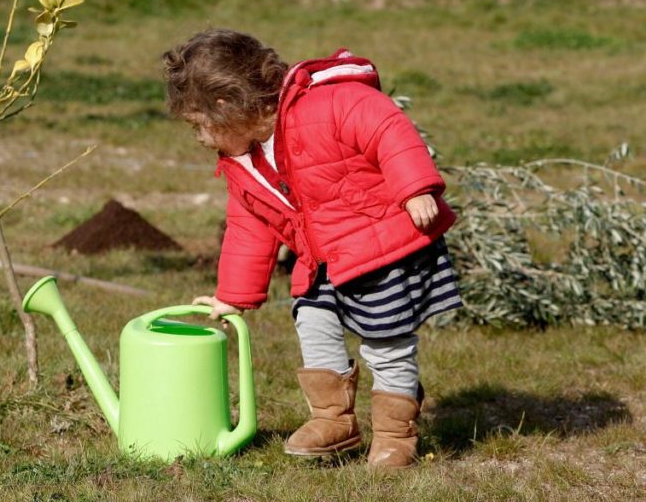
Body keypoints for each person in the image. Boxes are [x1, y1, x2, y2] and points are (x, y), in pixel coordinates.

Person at [162, 29, 462, 470]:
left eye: (197, 125)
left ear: (225, 106)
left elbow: (386, 126)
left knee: (386, 343)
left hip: (383, 248)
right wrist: (233, 295)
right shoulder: (245, 164)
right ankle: (333, 419)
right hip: (323, 260)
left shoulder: (329, 104)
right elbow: (249, 227)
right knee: (312, 321)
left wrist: (416, 187)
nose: (200, 139)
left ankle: (396, 434)